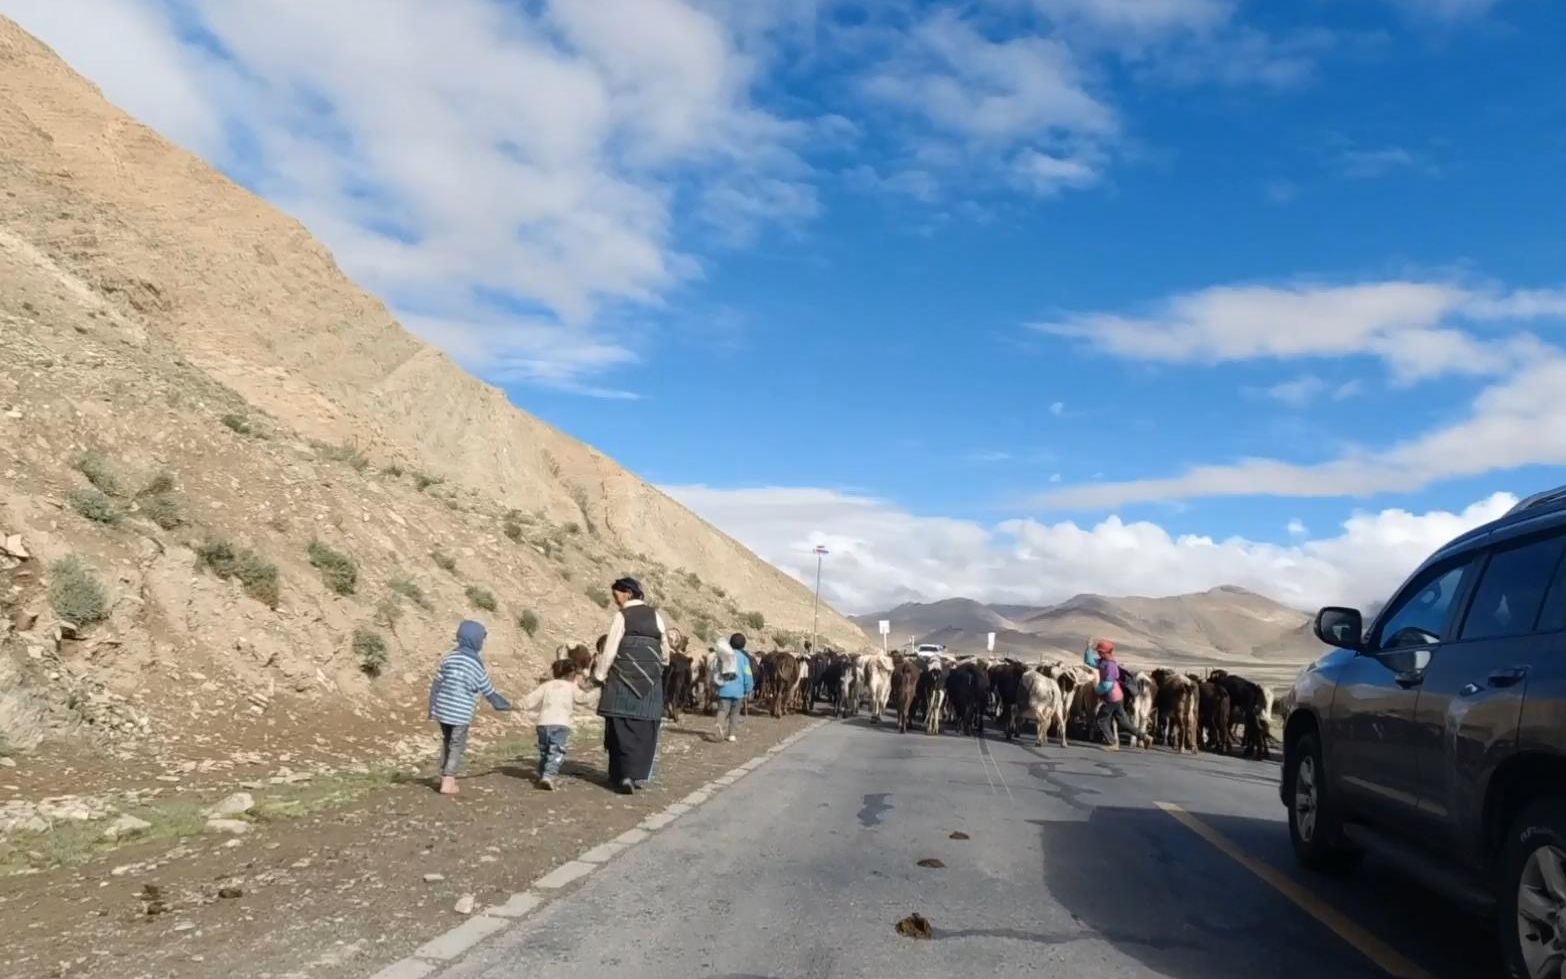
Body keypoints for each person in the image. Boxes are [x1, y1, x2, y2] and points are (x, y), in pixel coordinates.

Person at [591, 577, 669, 794]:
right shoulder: (656, 616)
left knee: (620, 727)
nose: (616, 601)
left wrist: (599, 674)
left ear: (627, 592)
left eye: (616, 595)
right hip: (650, 683)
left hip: (621, 681)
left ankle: (621, 775)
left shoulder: (621, 616)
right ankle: (635, 776)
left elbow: (610, 650)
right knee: (645, 729)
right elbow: (665, 652)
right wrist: (655, 667)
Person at [428, 620, 511, 795]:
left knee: (446, 741)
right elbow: (488, 691)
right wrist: (503, 705)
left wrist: (432, 708)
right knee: (457, 744)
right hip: (460, 714)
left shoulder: (449, 658)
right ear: (476, 641)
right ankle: (448, 780)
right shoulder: (476, 665)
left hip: (443, 710)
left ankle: (444, 775)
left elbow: (436, 684)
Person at [519, 660, 599, 790]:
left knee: (545, 750)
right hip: (561, 724)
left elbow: (530, 700)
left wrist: (515, 704)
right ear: (571, 674)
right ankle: (548, 776)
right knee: (556, 751)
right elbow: (583, 699)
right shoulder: (571, 687)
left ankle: (542, 771)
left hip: (543, 724)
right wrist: (597, 691)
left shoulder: (546, 685)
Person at [1084, 638, 1135, 751]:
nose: (1098, 653)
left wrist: (1097, 690)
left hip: (1112, 697)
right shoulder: (1103, 662)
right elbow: (1089, 662)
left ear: (1106, 652)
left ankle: (1113, 743)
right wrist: (1088, 648)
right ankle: (1144, 736)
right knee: (1124, 723)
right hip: (1118, 697)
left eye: (1100, 652)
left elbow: (1107, 684)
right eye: (1098, 652)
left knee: (1101, 720)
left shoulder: (1110, 665)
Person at [709, 633, 756, 742]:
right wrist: (748, 688)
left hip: (724, 689)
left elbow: (716, 671)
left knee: (722, 710)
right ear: (743, 645)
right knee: (735, 713)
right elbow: (748, 674)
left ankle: (719, 730)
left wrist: (715, 685)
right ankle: (732, 734)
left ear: (730, 643)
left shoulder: (724, 655)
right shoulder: (744, 659)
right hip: (739, 692)